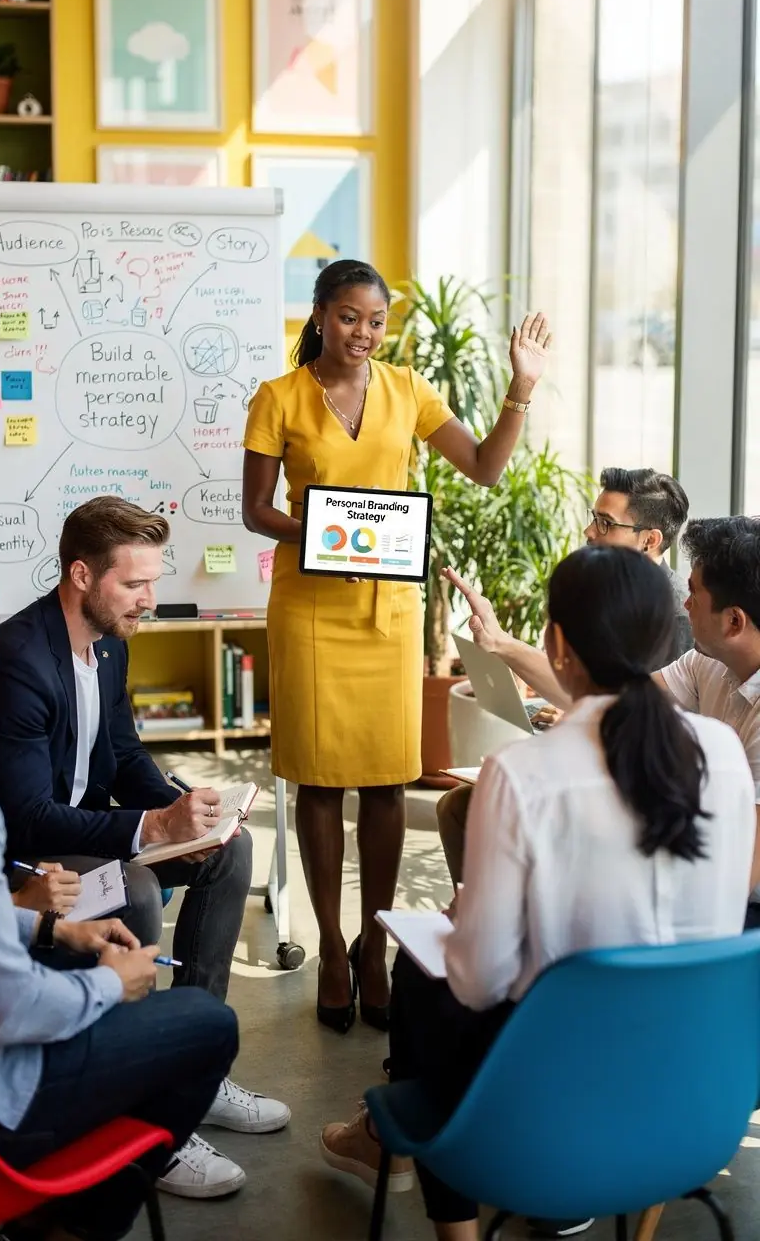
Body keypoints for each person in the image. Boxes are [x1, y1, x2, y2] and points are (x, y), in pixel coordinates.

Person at [321, 547, 756, 1241]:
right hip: (694, 1110)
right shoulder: (721, 753)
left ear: (558, 644)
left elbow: (480, 977)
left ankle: (430, 1194)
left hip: (545, 1120)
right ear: (664, 641)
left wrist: (472, 923)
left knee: (426, 975)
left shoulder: (521, 773)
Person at [0, 496, 289, 1201]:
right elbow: (32, 816)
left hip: (92, 835)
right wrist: (151, 831)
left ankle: (196, 1069)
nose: (149, 600)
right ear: (81, 575)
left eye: (152, 583)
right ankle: (147, 1113)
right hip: (35, 860)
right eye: (134, 584)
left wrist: (176, 805)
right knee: (132, 890)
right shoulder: (17, 662)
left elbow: (123, 751)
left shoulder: (109, 645)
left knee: (230, 850)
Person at [242, 258, 551, 1033]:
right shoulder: (277, 397)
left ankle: (373, 947)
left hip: (386, 611)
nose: (363, 333)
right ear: (319, 315)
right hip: (311, 605)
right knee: (318, 781)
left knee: (384, 781)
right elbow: (254, 511)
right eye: (348, 316)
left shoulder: (409, 390)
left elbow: (484, 468)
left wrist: (523, 386)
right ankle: (334, 957)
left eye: (375, 321)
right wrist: (326, 532)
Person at [437, 464, 692, 886]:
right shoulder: (609, 595)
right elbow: (603, 696)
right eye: (593, 518)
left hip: (630, 788)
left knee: (478, 807)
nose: (591, 533)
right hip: (597, 764)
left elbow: (653, 721)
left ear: (650, 541)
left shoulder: (677, 614)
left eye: (606, 523)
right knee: (458, 807)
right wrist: (497, 641)